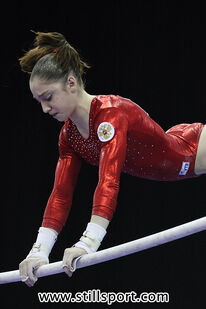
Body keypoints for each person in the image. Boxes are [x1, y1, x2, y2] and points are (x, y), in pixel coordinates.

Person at [18, 31, 206, 287]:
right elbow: (61, 194)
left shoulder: (110, 115)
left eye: (48, 97)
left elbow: (108, 180)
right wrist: (38, 251)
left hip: (194, 151)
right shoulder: (69, 136)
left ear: (71, 83)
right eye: (38, 101)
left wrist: (89, 241)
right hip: (176, 150)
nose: (44, 108)